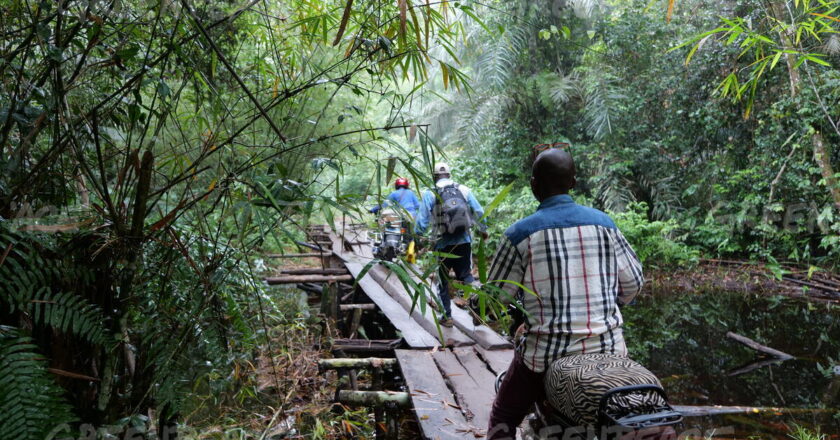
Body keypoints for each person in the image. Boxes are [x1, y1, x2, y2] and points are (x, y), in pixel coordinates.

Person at [485, 149, 644, 440]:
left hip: (544, 357)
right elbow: (633, 284)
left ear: (534, 185)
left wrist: (478, 302)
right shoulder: (605, 224)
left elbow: (494, 302)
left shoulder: (519, 234)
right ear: (573, 182)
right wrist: (611, 303)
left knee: (504, 415)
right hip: (609, 350)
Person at [415, 162, 486, 327]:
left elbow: (422, 220)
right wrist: (483, 229)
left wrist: (417, 237)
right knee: (467, 277)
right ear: (449, 174)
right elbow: (479, 211)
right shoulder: (463, 189)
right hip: (464, 241)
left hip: (442, 244)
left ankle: (446, 317)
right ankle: (480, 309)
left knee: (443, 281)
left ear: (434, 176)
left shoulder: (430, 193)